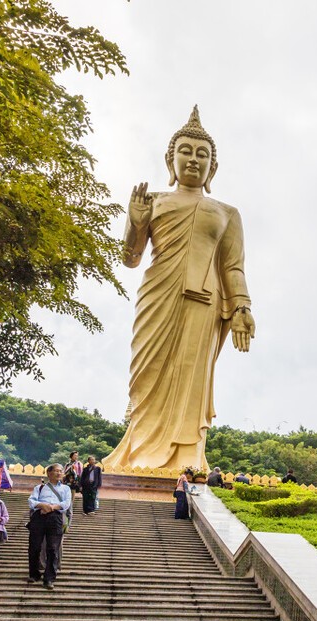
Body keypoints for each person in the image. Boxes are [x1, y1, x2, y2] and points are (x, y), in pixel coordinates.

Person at [102, 106, 255, 472]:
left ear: (212, 168)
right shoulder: (151, 201)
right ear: (170, 160)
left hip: (205, 302)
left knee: (192, 376)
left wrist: (241, 308)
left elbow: (233, 265)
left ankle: (187, 455)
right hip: (158, 293)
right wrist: (135, 225)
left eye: (202, 154)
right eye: (185, 151)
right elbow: (130, 258)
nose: (193, 159)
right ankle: (137, 451)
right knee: (147, 373)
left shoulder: (227, 212)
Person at [27, 464, 72, 589]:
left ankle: (49, 578)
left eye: (61, 471)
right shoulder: (40, 488)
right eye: (56, 471)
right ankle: (34, 573)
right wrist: (42, 505)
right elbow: (31, 501)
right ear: (49, 473)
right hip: (39, 517)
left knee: (53, 548)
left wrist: (52, 507)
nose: (59, 473)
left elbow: (66, 503)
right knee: (35, 546)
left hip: (55, 517)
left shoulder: (65, 489)